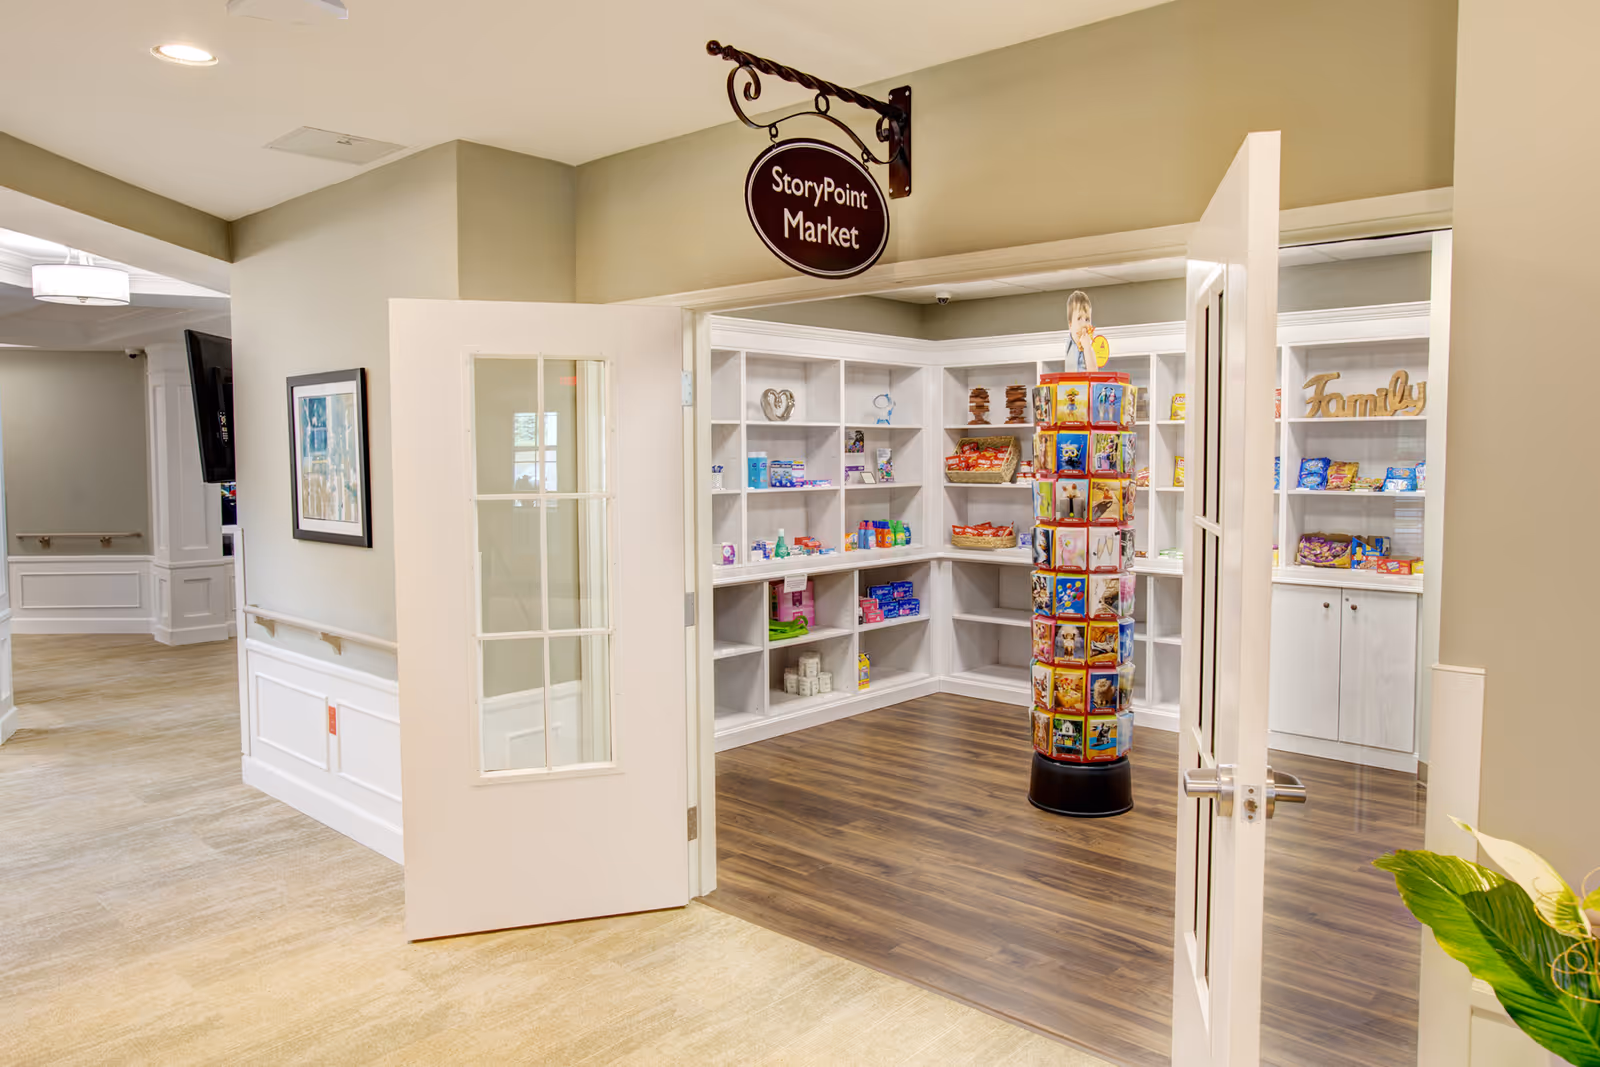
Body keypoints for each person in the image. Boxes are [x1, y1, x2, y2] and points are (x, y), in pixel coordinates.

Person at [1065, 290, 1096, 371]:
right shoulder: (1069, 344)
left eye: (1087, 319)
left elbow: (1094, 374)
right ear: (1070, 325)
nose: (1084, 324)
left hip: (1085, 383)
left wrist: (1087, 347)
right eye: (1079, 318)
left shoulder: (1089, 347)